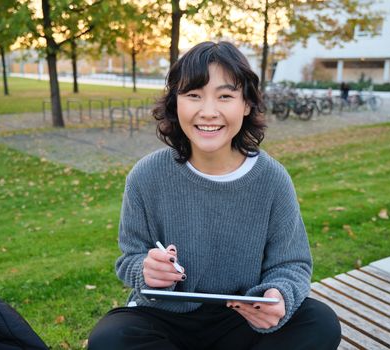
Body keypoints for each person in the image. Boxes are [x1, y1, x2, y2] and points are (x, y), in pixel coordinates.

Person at [87, 41, 341, 350]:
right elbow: (130, 258)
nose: (208, 112)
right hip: (164, 319)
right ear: (175, 103)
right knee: (109, 338)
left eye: (225, 96)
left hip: (242, 320)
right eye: (193, 95)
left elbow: (292, 265)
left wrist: (278, 296)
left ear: (246, 104)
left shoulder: (272, 179)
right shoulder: (146, 176)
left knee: (320, 321)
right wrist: (147, 270)